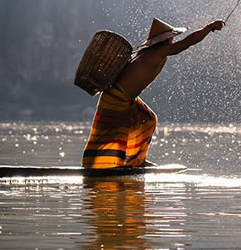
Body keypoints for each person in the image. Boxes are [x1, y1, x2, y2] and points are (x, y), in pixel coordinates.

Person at [82, 17, 225, 168]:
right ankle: (99, 165)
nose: (172, 41)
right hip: (116, 97)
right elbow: (187, 43)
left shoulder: (150, 52)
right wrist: (209, 28)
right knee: (110, 132)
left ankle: (136, 161)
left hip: (127, 99)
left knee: (147, 119)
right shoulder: (157, 52)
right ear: (165, 40)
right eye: (171, 38)